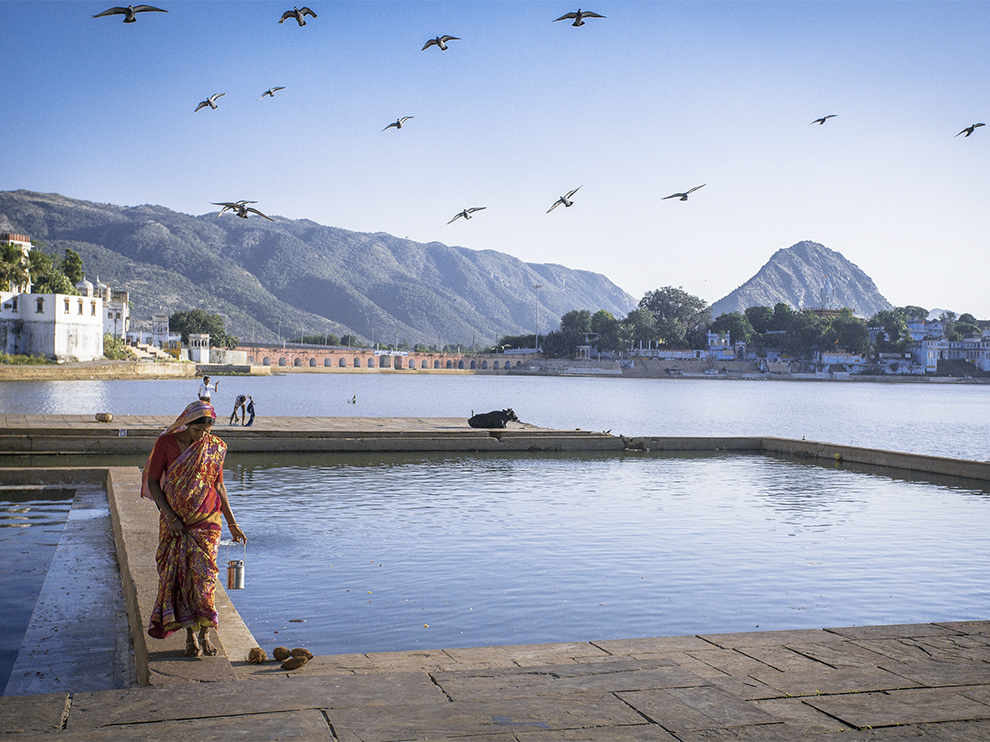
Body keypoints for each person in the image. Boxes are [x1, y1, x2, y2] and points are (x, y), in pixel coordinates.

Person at [141, 401, 246, 657]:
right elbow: (154, 483)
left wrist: (232, 523)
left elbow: (219, 487)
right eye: (198, 430)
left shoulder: (214, 448)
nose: (203, 435)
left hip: (207, 522)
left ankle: (205, 634)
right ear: (187, 423)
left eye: (207, 430)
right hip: (175, 525)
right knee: (179, 578)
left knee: (205, 579)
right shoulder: (166, 444)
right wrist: (170, 516)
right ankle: (190, 637)